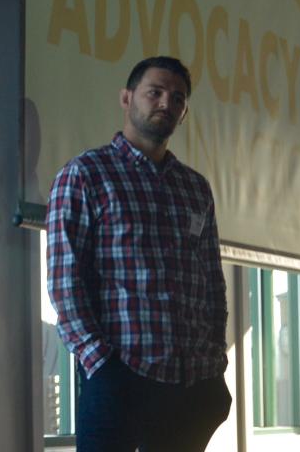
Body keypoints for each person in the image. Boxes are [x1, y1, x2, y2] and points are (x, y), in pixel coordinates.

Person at [46, 56, 231, 451]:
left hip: (193, 386)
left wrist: (216, 365)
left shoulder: (195, 188)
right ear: (127, 98)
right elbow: (65, 284)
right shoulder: (85, 174)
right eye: (155, 92)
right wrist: (103, 366)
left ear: (184, 114)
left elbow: (212, 280)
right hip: (121, 378)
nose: (167, 102)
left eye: (178, 98)